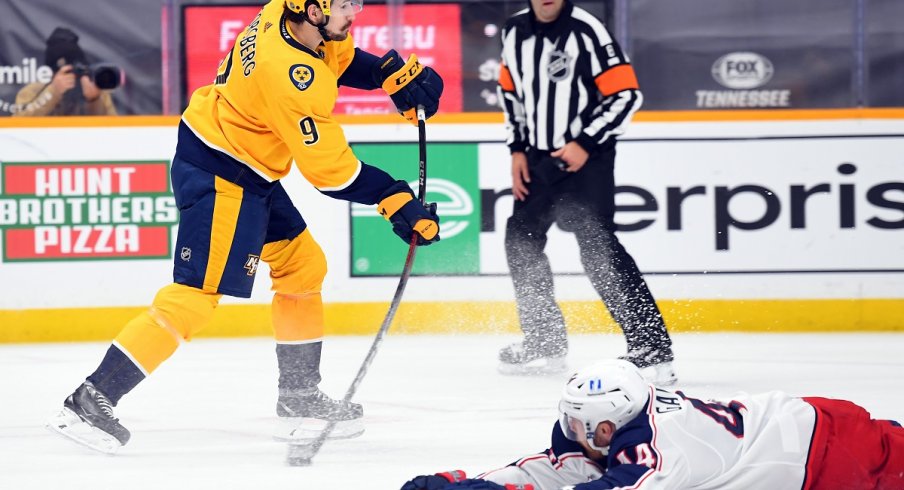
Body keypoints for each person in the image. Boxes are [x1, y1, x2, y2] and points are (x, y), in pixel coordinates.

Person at [47, 0, 443, 454]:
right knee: (195, 297)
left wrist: (388, 75)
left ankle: (298, 396)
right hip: (224, 175)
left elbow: (339, 56)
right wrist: (397, 199)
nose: (355, 11)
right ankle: (91, 399)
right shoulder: (293, 76)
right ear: (313, 12)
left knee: (301, 265)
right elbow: (333, 174)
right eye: (344, 5)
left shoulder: (289, 16)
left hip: (243, 163)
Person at [494, 0, 675, 383]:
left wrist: (585, 142)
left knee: (597, 245)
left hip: (586, 159)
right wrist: (516, 151)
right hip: (539, 158)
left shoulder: (586, 30)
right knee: (520, 238)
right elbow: (512, 96)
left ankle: (651, 346)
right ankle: (544, 340)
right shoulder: (513, 31)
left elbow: (626, 96)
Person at [401, 359, 904, 490]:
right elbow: (556, 471)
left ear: (611, 425)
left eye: (583, 426)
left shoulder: (655, 449)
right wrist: (472, 483)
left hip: (830, 457)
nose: (573, 431)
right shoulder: (619, 422)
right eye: (570, 420)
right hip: (808, 427)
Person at [13, 27, 117, 117]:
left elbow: (114, 131)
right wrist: (53, 92)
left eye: (77, 70)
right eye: (66, 71)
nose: (73, 76)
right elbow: (17, 126)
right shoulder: (32, 92)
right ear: (52, 72)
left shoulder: (97, 92)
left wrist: (94, 101)